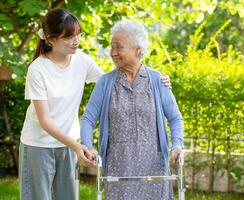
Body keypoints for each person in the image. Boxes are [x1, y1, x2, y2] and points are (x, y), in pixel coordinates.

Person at [19, 9, 171, 200]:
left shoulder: (81, 60)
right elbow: (44, 120)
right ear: (50, 39)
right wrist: (77, 146)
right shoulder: (38, 69)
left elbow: (110, 82)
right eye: (69, 37)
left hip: (68, 145)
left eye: (78, 35)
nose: (76, 41)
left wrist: (157, 78)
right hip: (38, 145)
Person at [80, 20, 184, 200]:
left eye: (118, 47)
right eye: (112, 47)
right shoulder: (105, 83)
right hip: (119, 166)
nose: (113, 53)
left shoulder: (158, 81)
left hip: (154, 165)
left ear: (138, 49)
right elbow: (88, 119)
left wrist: (176, 145)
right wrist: (88, 147)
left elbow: (175, 118)